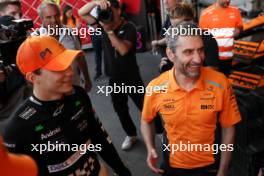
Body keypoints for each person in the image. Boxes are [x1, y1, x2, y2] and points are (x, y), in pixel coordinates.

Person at [3, 35, 131, 176]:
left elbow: (98, 136)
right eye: (58, 69)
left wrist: (121, 171)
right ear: (33, 78)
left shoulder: (78, 94)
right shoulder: (17, 128)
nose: (70, 72)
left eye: (67, 63)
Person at [141, 21, 241, 176]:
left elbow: (229, 128)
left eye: (200, 50)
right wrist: (150, 147)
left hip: (210, 167)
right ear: (170, 54)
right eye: (188, 52)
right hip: (172, 166)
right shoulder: (155, 88)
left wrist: (223, 171)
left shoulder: (221, 83)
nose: (198, 59)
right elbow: (146, 120)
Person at [79, 0, 163, 150]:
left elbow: (123, 50)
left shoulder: (129, 26)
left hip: (131, 77)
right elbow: (82, 13)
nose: (109, 13)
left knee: (145, 107)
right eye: (107, 10)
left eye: (111, 9)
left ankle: (160, 132)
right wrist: (96, 2)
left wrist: (109, 30)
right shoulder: (102, 23)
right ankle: (131, 134)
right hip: (114, 78)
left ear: (118, 11)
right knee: (120, 109)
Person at [32, 1, 92, 92]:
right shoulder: (34, 39)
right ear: (41, 18)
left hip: (74, 85)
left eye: (56, 16)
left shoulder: (70, 32)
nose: (53, 20)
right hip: (51, 91)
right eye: (48, 17)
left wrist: (87, 79)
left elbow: (80, 57)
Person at [159, 3, 219, 72]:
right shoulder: (174, 39)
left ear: (192, 21)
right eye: (174, 27)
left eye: (180, 26)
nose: (177, 30)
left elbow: (213, 69)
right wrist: (163, 66)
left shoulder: (207, 38)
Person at [199, 0, 243, 75]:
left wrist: (238, 30)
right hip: (211, 59)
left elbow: (240, 27)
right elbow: (201, 37)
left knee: (225, 80)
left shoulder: (236, 11)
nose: (228, 1)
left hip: (228, 57)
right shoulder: (205, 13)